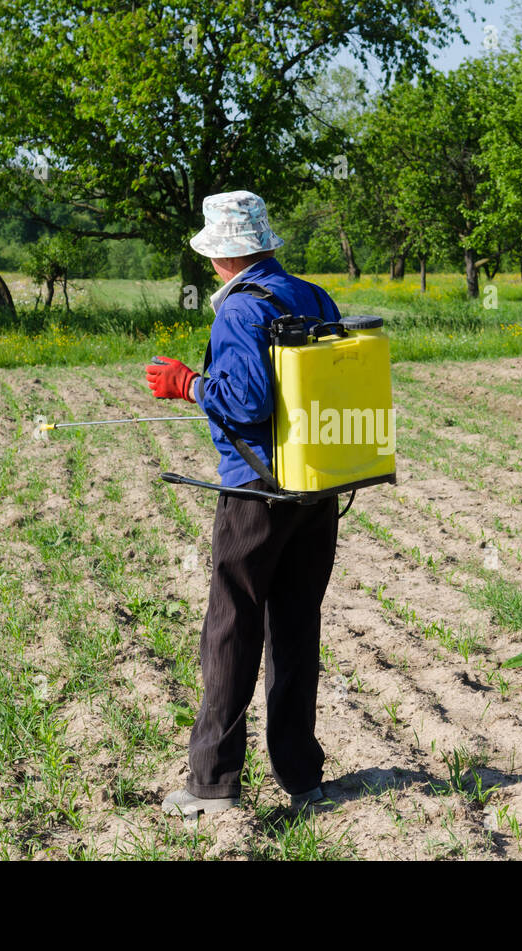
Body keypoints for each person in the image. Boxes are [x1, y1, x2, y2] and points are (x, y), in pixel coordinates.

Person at [146, 190, 343, 819]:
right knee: (295, 625)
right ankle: (301, 775)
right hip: (316, 483)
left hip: (255, 489)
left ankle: (212, 784)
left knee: (230, 627)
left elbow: (250, 401)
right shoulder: (312, 296)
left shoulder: (239, 309)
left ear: (221, 256)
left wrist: (188, 384)